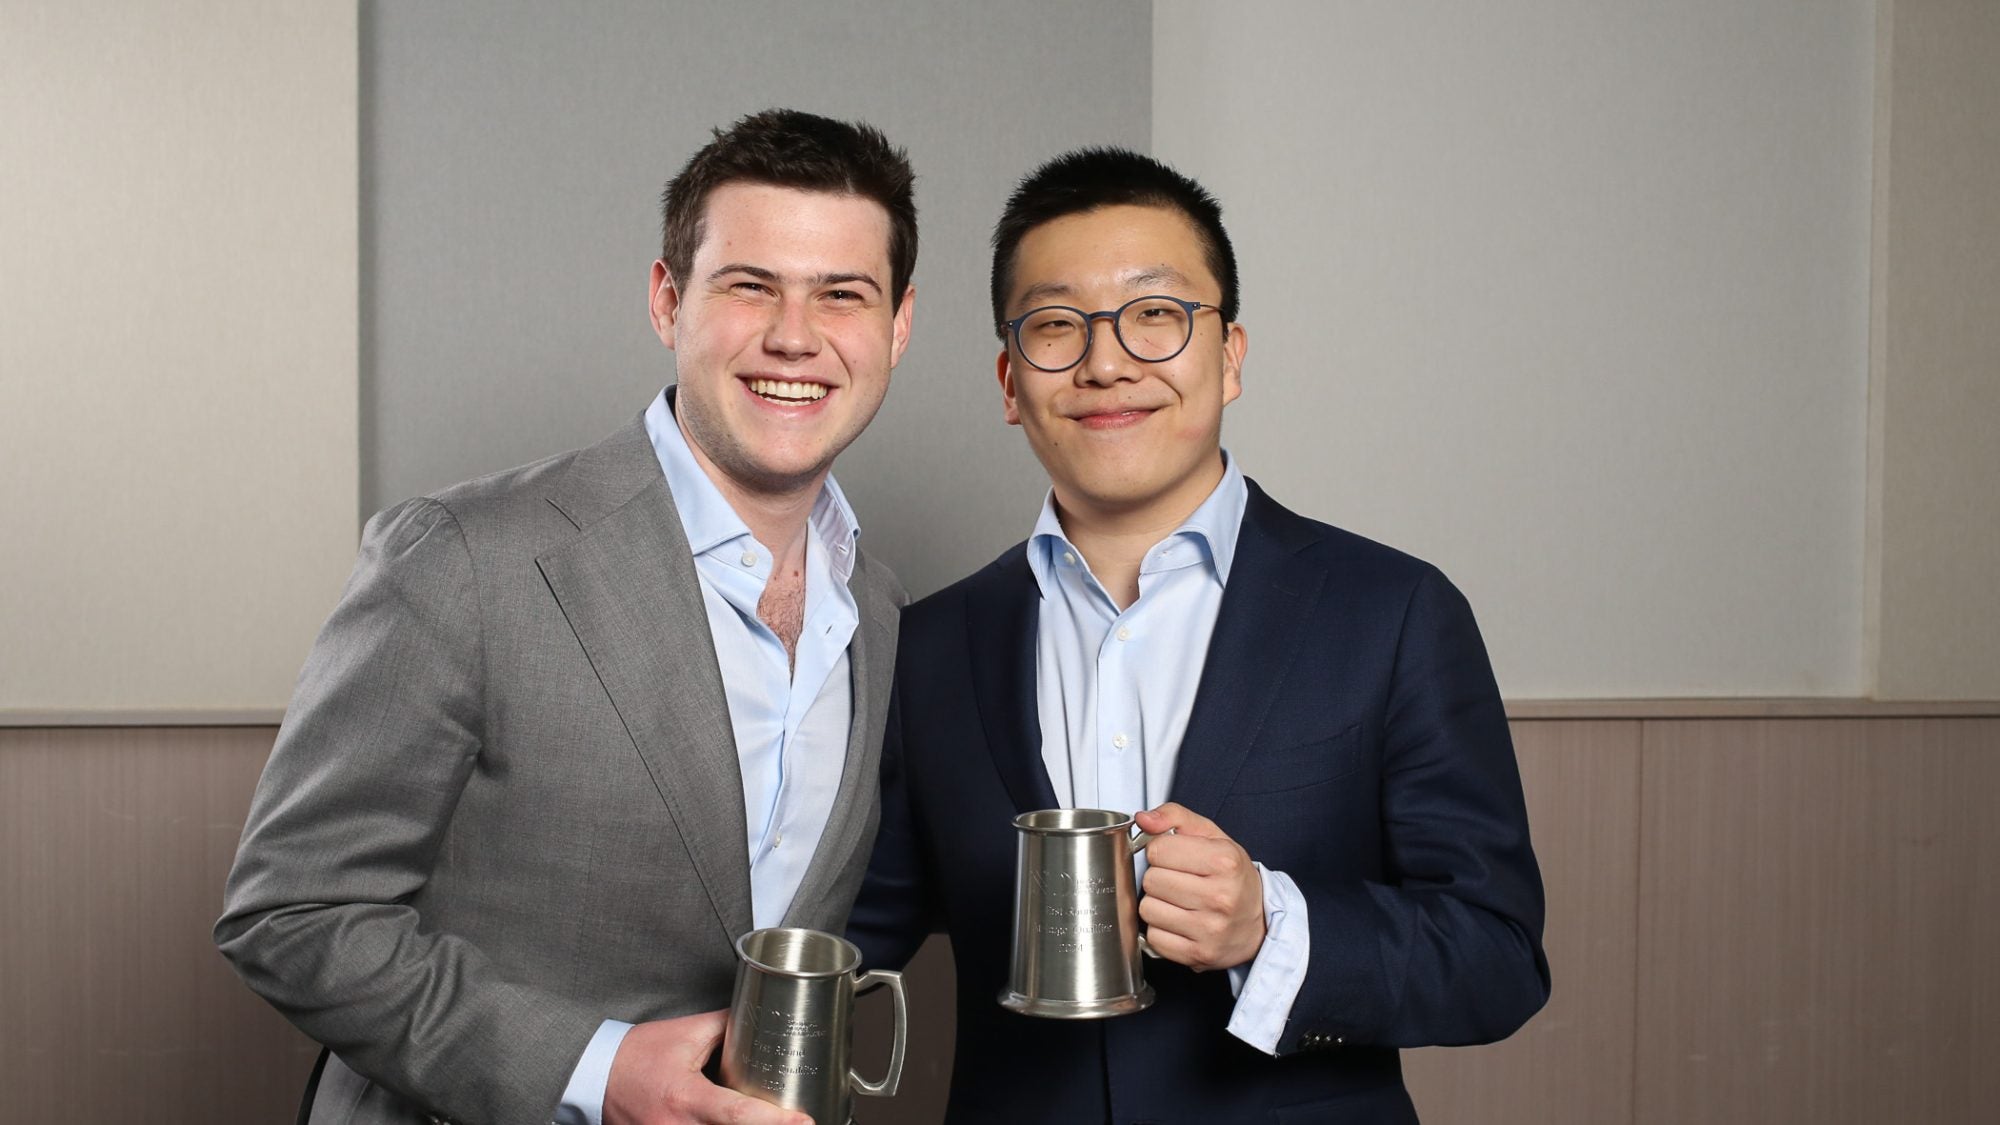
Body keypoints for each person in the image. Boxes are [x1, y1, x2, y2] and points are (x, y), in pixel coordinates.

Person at [217, 108, 917, 1125]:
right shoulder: (461, 555)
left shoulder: (877, 607)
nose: (793, 336)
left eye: (840, 295)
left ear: (896, 326)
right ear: (666, 300)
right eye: (748, 284)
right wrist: (595, 1071)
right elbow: (292, 912)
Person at [846, 148, 1549, 1123]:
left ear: (1229, 358)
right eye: (1055, 326)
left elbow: (1496, 959)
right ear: (1010, 383)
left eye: (1155, 315)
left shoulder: (1390, 613)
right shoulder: (925, 647)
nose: (1104, 361)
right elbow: (845, 940)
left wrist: (1272, 924)